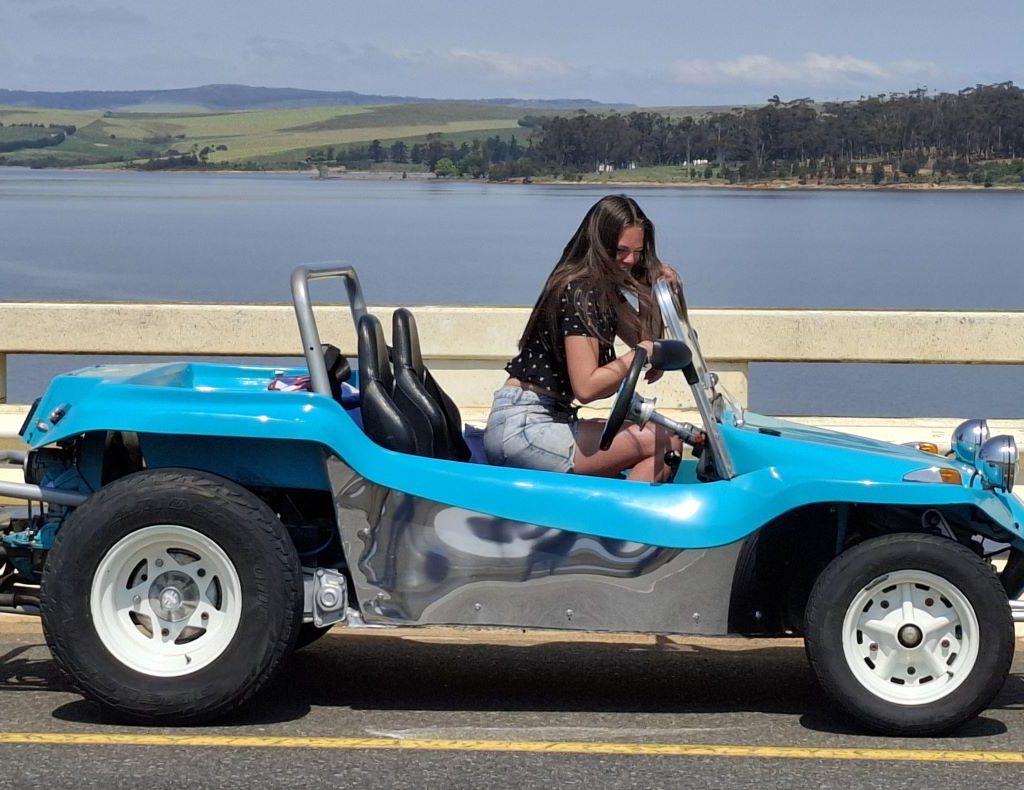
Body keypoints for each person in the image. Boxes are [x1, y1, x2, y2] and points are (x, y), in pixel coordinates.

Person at [484, 194, 683, 482]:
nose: (629, 260)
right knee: (663, 443)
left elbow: (647, 343)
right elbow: (587, 387)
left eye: (637, 253)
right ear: (600, 247)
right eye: (621, 251)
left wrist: (655, 288)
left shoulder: (602, 291)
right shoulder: (581, 292)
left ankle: (615, 523)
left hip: (549, 418)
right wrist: (642, 351)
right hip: (524, 426)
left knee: (667, 438)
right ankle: (616, 528)